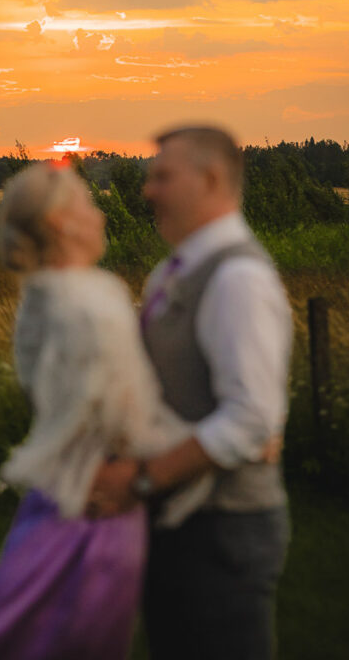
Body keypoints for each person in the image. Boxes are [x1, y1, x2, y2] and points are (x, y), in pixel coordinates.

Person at [0, 160, 212, 660]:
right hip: (96, 512)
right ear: (60, 222)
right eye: (89, 204)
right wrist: (204, 445)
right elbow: (125, 422)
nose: (101, 215)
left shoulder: (41, 295)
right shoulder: (89, 306)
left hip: (53, 496)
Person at [90, 125, 292, 660]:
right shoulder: (170, 274)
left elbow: (250, 419)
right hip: (176, 523)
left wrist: (138, 479)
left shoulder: (237, 280)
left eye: (162, 176)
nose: (147, 190)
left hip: (222, 532)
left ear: (211, 179)